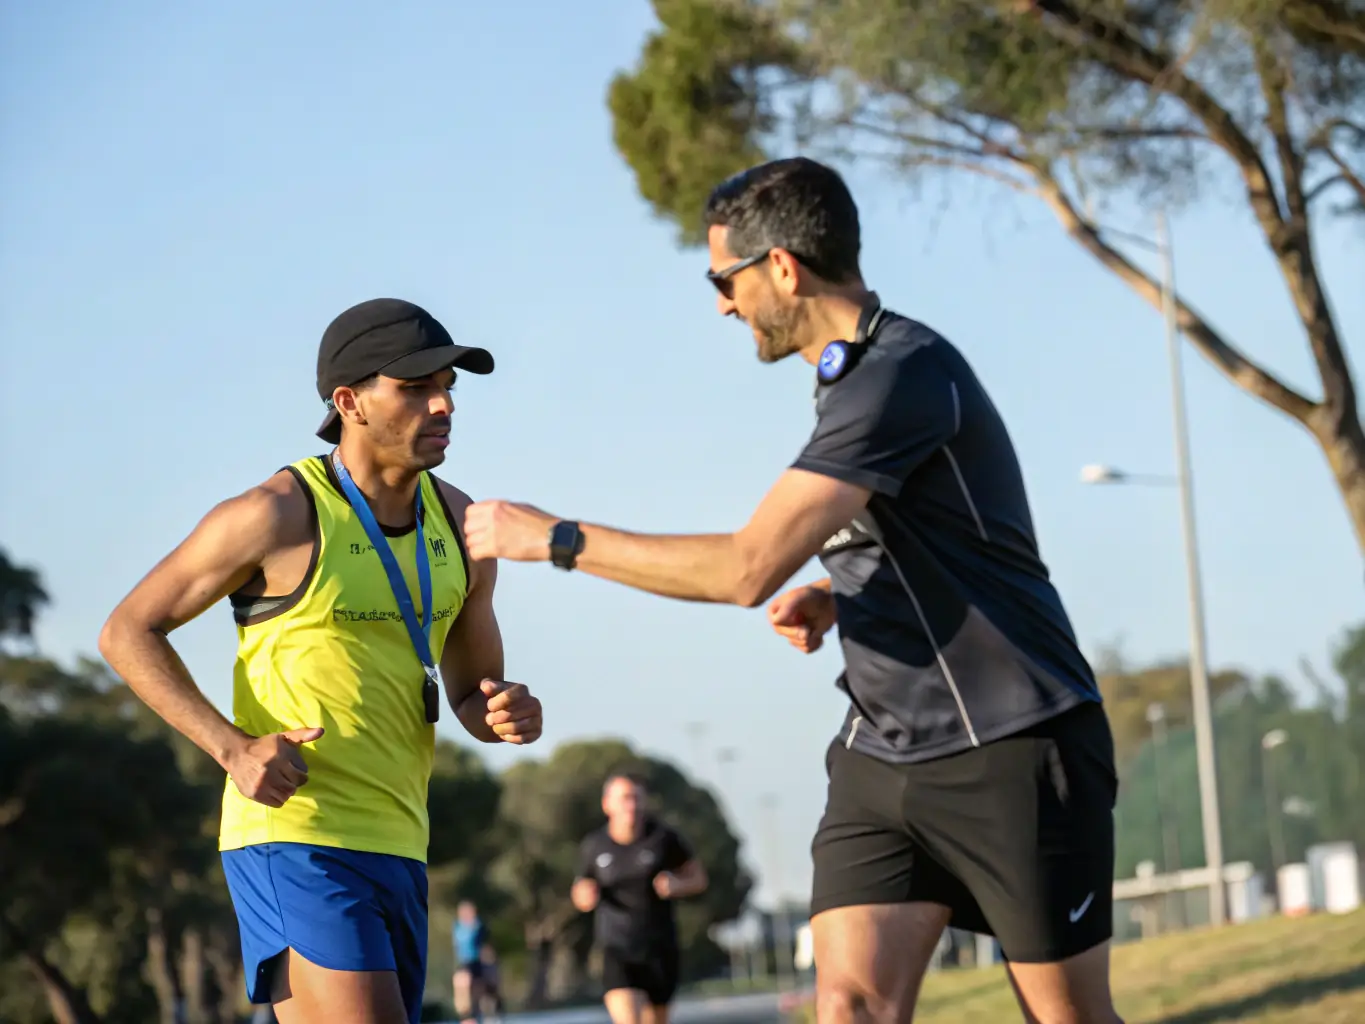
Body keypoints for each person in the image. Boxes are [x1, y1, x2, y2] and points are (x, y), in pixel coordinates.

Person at [463, 157, 1122, 1024]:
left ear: (781, 266)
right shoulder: (849, 379)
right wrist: (845, 596)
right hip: (881, 753)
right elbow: (937, 535)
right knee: (845, 1007)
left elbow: (746, 567)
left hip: (1009, 741)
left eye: (721, 279)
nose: (720, 305)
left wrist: (554, 538)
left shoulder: (898, 373)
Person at [99, 298, 545, 1024]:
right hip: (294, 837)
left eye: (448, 386)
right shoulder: (277, 514)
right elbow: (127, 631)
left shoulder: (463, 527)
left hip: (401, 841)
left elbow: (470, 695)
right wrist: (232, 747)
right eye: (414, 388)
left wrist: (505, 714)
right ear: (349, 403)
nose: (442, 405)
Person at [572, 774, 708, 1024]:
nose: (631, 805)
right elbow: (580, 887)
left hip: (659, 946)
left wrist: (677, 885)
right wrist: (585, 896)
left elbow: (698, 878)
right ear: (607, 804)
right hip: (617, 948)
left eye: (636, 798)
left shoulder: (663, 838)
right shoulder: (595, 845)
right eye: (624, 798)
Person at [452, 900, 492, 1024]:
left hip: (476, 963)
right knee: (461, 986)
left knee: (476, 992)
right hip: (463, 963)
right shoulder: (457, 926)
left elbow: (485, 945)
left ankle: (476, 1015)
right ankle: (465, 1016)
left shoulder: (479, 926)